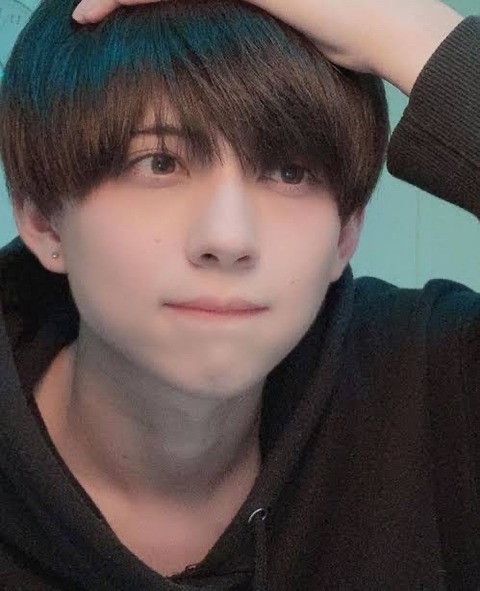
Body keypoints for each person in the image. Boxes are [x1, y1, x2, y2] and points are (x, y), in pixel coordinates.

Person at [0, 0, 478, 588]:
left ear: (346, 232)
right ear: (43, 219)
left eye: (288, 172)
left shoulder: (433, 382)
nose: (228, 239)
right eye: (159, 162)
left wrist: (411, 34)